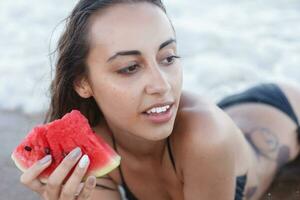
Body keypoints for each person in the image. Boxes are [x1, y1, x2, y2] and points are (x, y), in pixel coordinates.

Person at [19, 0, 300, 199]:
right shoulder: (86, 152)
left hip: (284, 111)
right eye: (130, 67)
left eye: (168, 58)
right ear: (83, 82)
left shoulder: (206, 138)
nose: (161, 84)